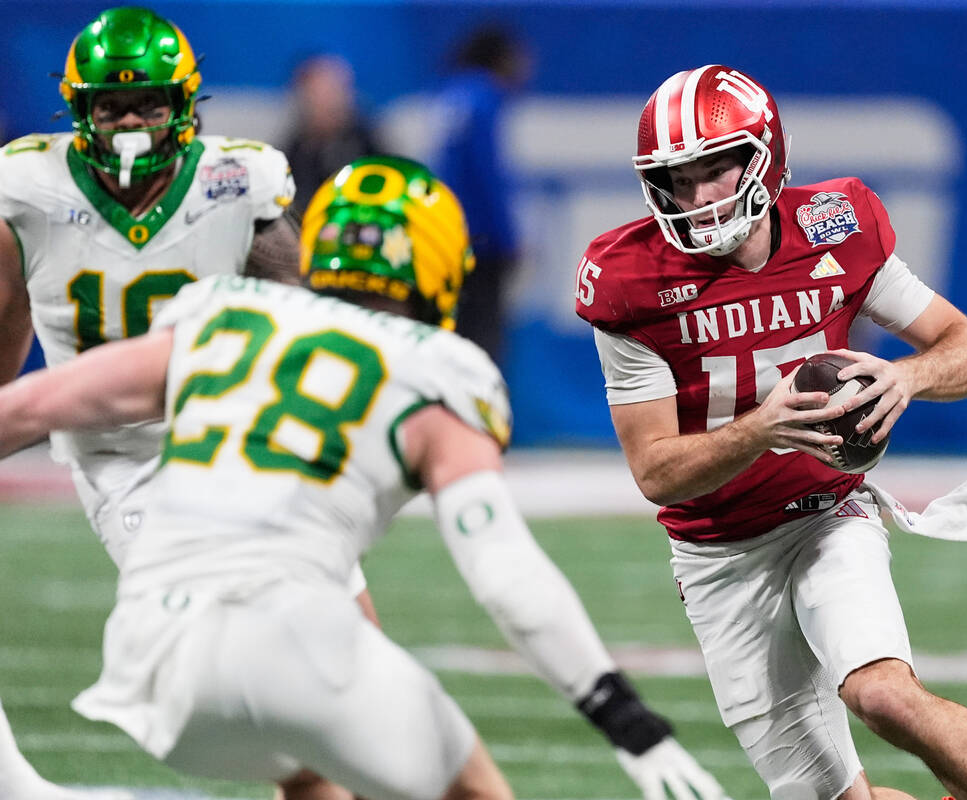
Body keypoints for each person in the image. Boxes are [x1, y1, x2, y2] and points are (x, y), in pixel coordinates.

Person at [0, 155, 730, 800]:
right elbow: (505, 574)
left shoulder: (220, 314)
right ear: (438, 266)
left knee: (313, 774)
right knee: (470, 785)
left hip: (150, 654)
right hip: (292, 639)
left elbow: (28, 405)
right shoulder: (442, 371)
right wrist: (623, 718)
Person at [575, 65, 967, 800]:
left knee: (883, 696)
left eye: (715, 168)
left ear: (764, 157)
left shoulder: (835, 224)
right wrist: (762, 428)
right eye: (678, 177)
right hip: (718, 556)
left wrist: (907, 376)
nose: (698, 196)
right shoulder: (630, 280)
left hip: (830, 515)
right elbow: (657, 472)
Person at [0, 7, 367, 799]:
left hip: (238, 438)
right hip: (127, 462)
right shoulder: (28, 189)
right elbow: (8, 315)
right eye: (110, 106)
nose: (129, 122)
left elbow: (303, 316)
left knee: (359, 670)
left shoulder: (237, 181)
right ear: (80, 111)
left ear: (184, 106)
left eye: (148, 105)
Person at [431, 24, 531, 368]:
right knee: (484, 342)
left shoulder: (454, 95)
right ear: (501, 58)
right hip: (482, 243)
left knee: (454, 333)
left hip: (447, 236)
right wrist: (509, 238)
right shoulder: (485, 98)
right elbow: (488, 177)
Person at [282, 53, 383, 212]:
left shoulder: (368, 144)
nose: (328, 102)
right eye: (317, 93)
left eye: (334, 90)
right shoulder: (293, 152)